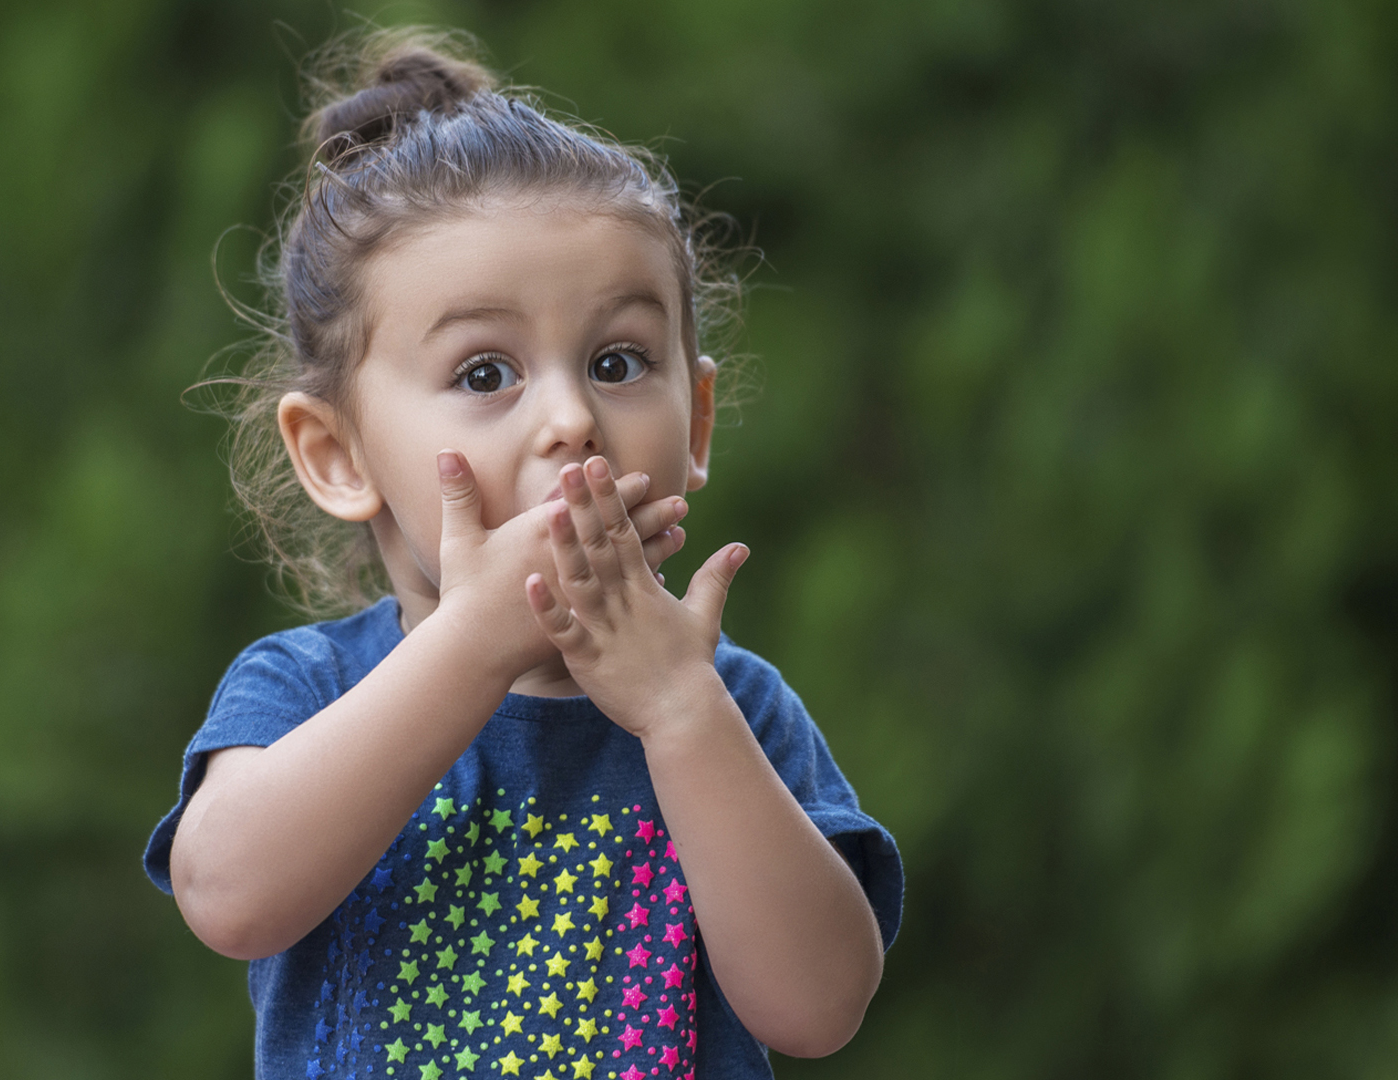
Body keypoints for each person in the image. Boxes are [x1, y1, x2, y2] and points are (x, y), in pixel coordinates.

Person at [145, 29, 903, 1080]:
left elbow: (817, 1009)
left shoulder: (732, 706)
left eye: (618, 360)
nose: (569, 417)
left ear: (698, 424)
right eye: (486, 371)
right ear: (337, 453)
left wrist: (680, 710)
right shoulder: (305, 690)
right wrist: (472, 646)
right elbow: (229, 898)